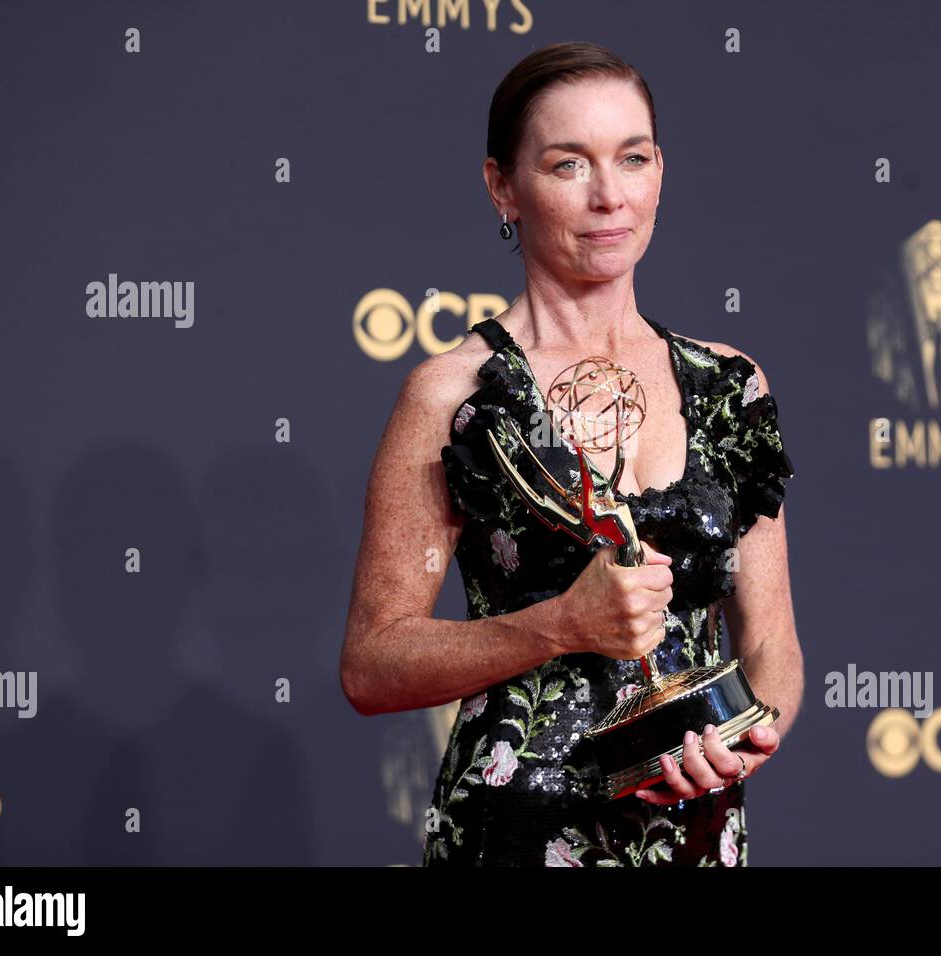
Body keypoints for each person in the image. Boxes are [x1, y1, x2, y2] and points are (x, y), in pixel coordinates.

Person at [339, 41, 804, 866]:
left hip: (697, 837)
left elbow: (770, 641)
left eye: (633, 157)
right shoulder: (456, 397)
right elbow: (373, 666)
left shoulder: (731, 387)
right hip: (515, 833)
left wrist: (744, 734)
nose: (609, 197)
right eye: (567, 165)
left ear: (661, 169)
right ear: (502, 188)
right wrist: (557, 626)